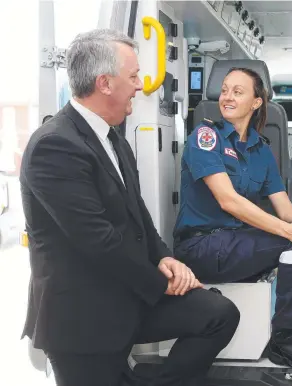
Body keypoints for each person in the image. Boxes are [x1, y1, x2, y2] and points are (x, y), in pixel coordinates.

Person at [20, 29, 240, 386]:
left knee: (217, 314)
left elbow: (137, 214)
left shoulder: (113, 138)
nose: (140, 86)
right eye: (134, 76)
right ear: (105, 83)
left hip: (126, 294)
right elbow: (97, 240)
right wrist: (160, 282)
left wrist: (164, 258)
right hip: (83, 317)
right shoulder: (55, 146)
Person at [173, 67, 292, 373]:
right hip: (203, 247)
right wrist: (290, 231)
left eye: (237, 91)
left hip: (237, 243)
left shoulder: (261, 150)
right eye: (224, 90)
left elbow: (286, 208)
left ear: (256, 102)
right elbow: (228, 200)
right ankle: (285, 339)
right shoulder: (206, 137)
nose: (227, 97)